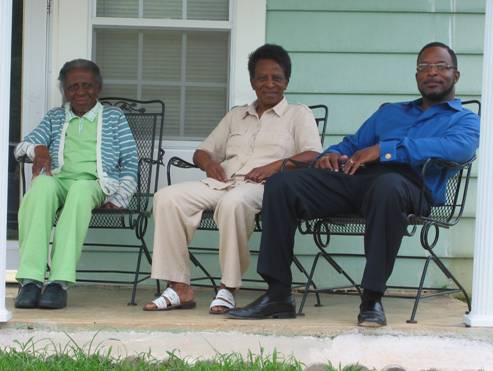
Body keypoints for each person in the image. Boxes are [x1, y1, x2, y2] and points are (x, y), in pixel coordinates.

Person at [229, 42, 480, 326]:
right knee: (282, 184)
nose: (431, 73)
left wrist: (386, 150)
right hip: (356, 179)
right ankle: (277, 294)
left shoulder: (464, 120)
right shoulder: (390, 113)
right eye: (424, 67)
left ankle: (371, 298)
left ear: (455, 75)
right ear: (416, 76)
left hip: (409, 186)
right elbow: (353, 143)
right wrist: (331, 154)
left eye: (441, 67)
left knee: (387, 186)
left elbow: (458, 149)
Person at [144, 44, 322, 314]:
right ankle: (179, 286)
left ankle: (228, 287)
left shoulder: (299, 114)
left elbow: (312, 155)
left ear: (287, 81)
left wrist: (275, 167)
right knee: (167, 197)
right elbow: (202, 150)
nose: (269, 84)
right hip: (223, 182)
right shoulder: (236, 115)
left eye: (277, 78)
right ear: (252, 82)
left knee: (234, 202)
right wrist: (210, 163)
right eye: (262, 78)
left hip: (265, 187)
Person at [14, 59, 138, 309]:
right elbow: (21, 147)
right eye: (73, 87)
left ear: (98, 88)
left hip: (95, 184)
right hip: (60, 181)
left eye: (87, 85)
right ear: (64, 91)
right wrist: (39, 149)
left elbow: (131, 160)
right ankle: (31, 280)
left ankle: (58, 282)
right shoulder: (55, 117)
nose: (80, 92)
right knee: (40, 187)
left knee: (81, 190)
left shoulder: (113, 117)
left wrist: (120, 197)